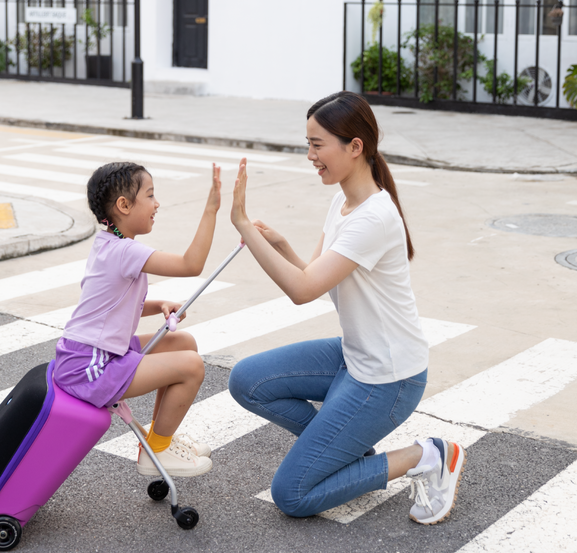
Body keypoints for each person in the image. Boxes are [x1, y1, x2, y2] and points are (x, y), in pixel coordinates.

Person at [228, 91, 465, 525]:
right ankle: (346, 449)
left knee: (292, 494)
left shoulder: (374, 218)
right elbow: (315, 278)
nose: (309, 155)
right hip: (354, 355)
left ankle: (428, 456)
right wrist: (281, 245)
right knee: (247, 380)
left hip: (388, 377)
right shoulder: (342, 200)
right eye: (308, 144)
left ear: (354, 146)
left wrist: (244, 225)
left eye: (317, 145)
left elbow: (301, 291)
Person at [55, 161, 222, 478]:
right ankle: (155, 450)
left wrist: (159, 304)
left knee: (181, 342)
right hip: (89, 367)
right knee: (191, 365)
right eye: (150, 195)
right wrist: (211, 210)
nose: (157, 204)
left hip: (91, 354)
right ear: (124, 205)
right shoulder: (125, 252)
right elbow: (191, 264)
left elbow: (112, 301)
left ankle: (161, 440)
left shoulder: (110, 243)